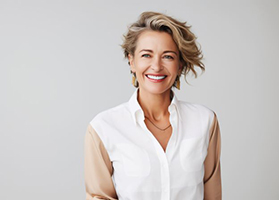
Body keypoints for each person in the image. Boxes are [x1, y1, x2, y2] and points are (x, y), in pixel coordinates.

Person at [84, 11, 222, 200]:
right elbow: (99, 196)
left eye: (168, 56)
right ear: (131, 61)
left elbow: (213, 195)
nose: (156, 66)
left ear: (180, 65)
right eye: (146, 55)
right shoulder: (103, 127)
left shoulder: (205, 121)